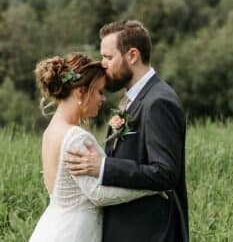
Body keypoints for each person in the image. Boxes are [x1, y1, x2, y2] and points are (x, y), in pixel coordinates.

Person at [65, 20, 189, 242]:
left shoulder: (158, 101)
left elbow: (165, 173)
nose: (102, 64)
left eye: (108, 57)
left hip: (152, 233)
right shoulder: (134, 100)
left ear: (132, 56)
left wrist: (103, 166)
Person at [30, 53, 156, 242]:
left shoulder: (50, 132)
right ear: (81, 92)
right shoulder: (74, 137)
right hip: (74, 233)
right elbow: (97, 194)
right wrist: (151, 187)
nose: (103, 99)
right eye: (99, 91)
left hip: (53, 226)